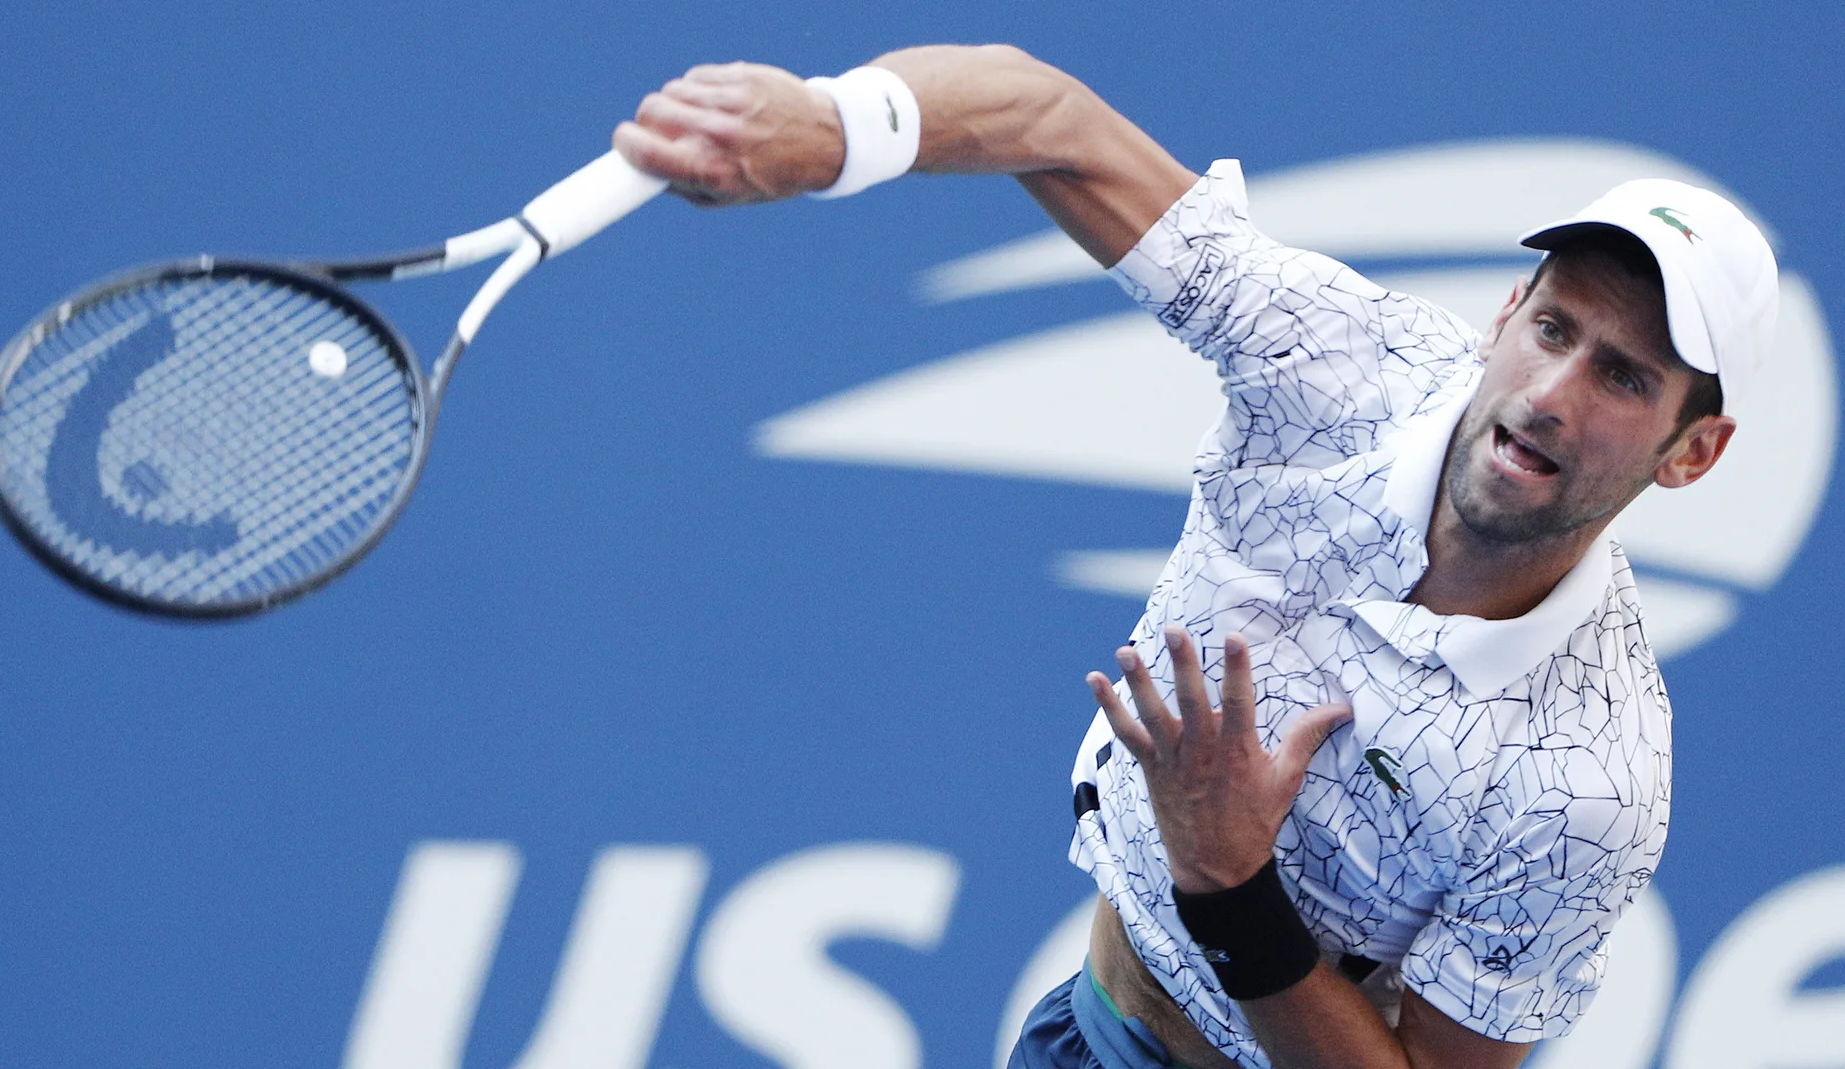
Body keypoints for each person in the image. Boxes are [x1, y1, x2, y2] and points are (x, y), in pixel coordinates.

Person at [612, 45, 1778, 1069]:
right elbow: (1047, 121)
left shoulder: (1591, 781)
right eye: (1554, 329)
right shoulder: (1338, 368)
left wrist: (1232, 886)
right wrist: (834, 127)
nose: (1553, 394)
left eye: (1624, 377)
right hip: (1080, 1032)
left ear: (1692, 453)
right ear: (1506, 310)